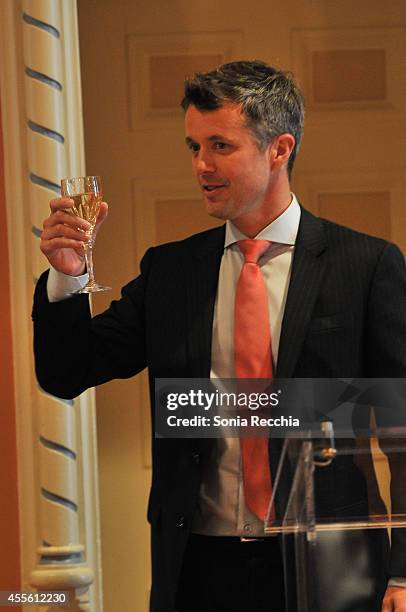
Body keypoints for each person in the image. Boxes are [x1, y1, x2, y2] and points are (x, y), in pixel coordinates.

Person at [33, 61, 406, 612]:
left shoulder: (367, 265)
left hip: (331, 563)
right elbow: (68, 372)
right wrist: (67, 278)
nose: (200, 166)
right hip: (199, 569)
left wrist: (403, 575)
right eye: (192, 147)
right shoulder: (171, 272)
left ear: (280, 149)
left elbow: (401, 429)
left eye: (220, 146)